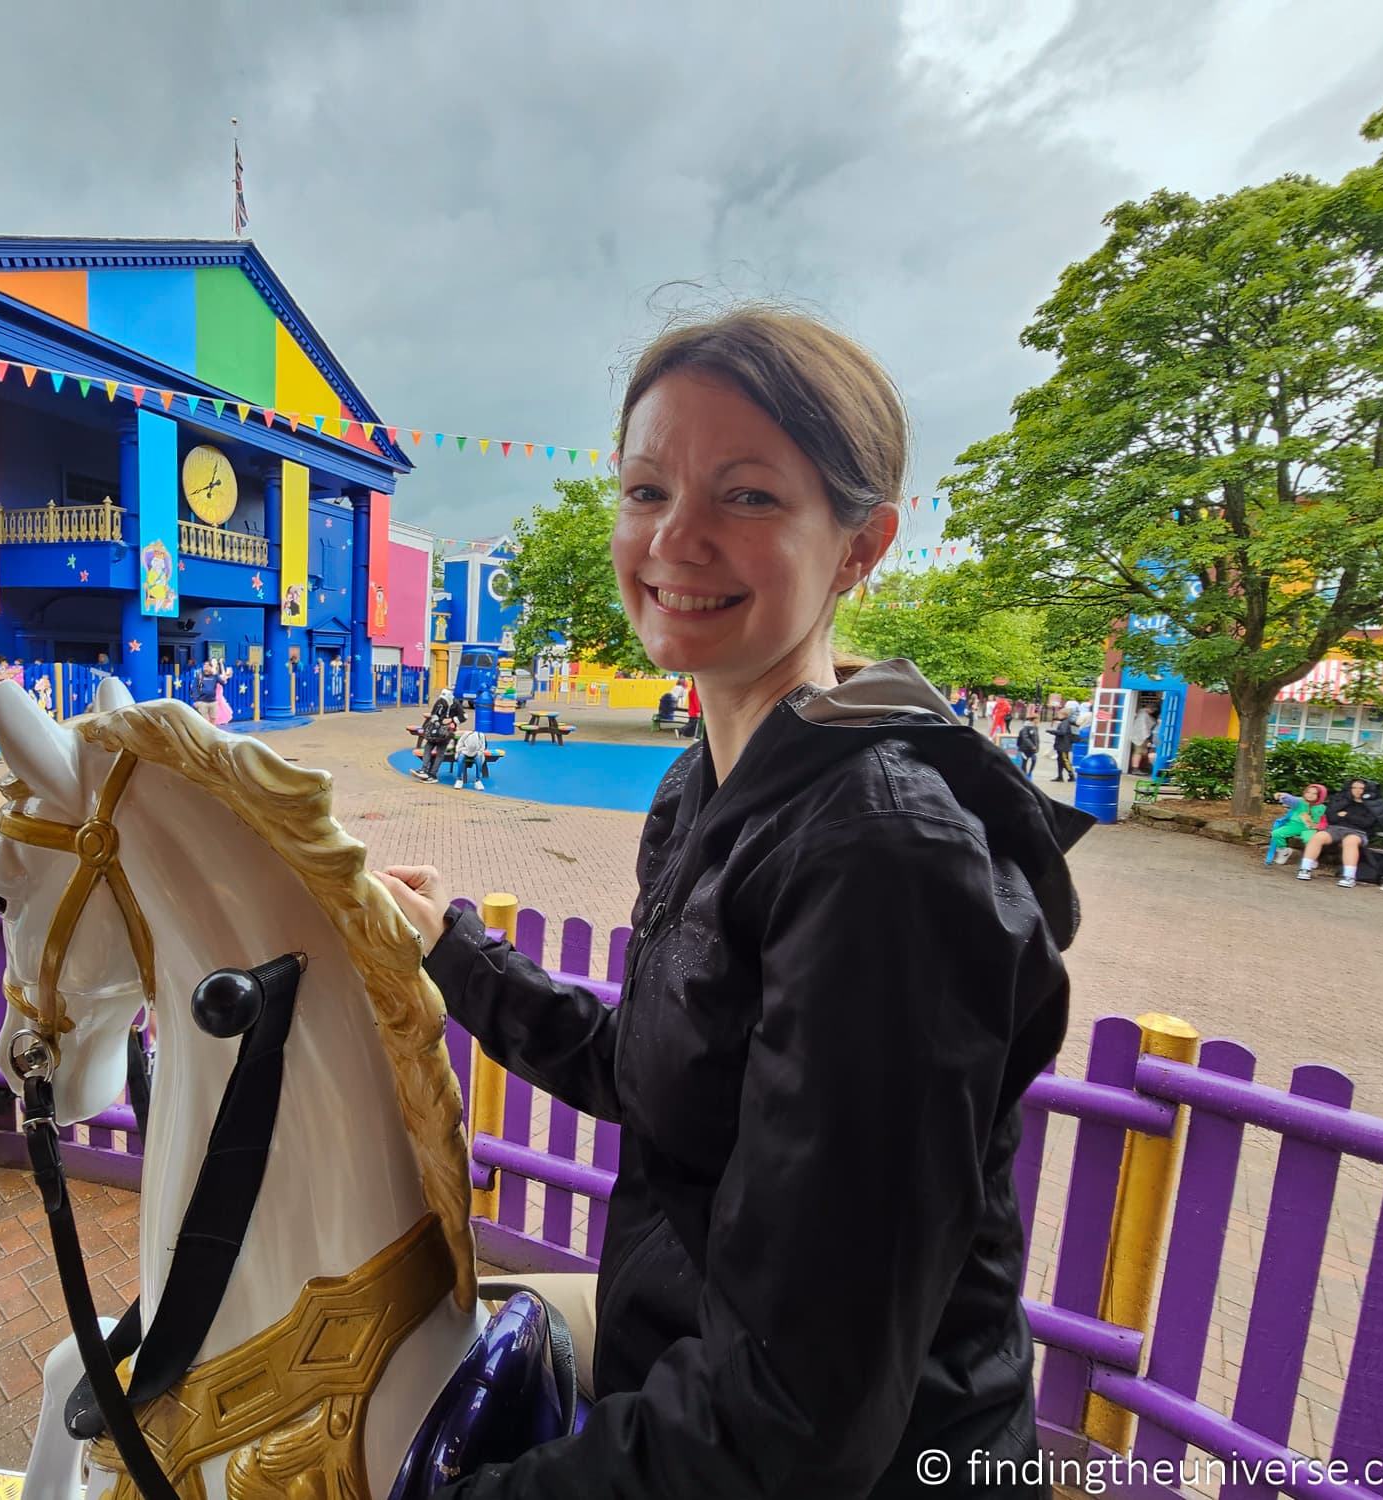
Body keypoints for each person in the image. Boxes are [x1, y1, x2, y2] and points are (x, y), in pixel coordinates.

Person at [376, 306, 1084, 1497]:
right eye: (646, 489)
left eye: (746, 497)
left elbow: (799, 1416)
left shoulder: (883, 860)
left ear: (860, 546)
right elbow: (664, 1083)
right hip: (680, 1360)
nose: (675, 539)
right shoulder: (712, 787)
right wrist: (453, 954)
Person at [1301, 778, 1383, 888]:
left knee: (1350, 841)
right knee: (1319, 836)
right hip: (1335, 829)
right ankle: (1305, 869)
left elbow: (1367, 823)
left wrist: (1346, 815)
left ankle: (1349, 877)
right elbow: (1332, 817)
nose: (1357, 790)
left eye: (1361, 788)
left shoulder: (1374, 804)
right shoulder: (1342, 799)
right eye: (1354, 787)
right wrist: (1349, 817)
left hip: (1358, 832)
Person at [1266, 784, 1329, 875]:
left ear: (1320, 796)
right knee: (1276, 833)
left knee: (1310, 839)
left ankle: (1312, 858)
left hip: (1310, 828)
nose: (1310, 795)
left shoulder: (1323, 808)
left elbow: (1325, 821)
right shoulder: (1299, 802)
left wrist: (1318, 826)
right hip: (1294, 825)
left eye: (1314, 794)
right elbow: (1291, 799)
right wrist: (1282, 795)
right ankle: (1284, 851)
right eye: (1308, 792)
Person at [412, 712, 455, 782]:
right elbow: (433, 714)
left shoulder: (454, 705)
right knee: (428, 749)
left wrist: (452, 720)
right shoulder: (440, 704)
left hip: (445, 734)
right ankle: (424, 770)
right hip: (434, 732)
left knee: (439, 753)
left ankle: (432, 774)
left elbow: (462, 717)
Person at [451, 724, 491, 791]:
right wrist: (459, 751)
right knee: (460, 759)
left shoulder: (481, 735)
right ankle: (459, 779)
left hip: (476, 752)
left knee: (479, 761)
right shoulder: (466, 735)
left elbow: (482, 747)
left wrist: (479, 753)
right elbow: (459, 744)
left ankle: (478, 780)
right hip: (465, 751)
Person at [1049, 708, 1078, 782]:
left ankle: (1071, 775)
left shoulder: (1065, 722)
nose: (1058, 715)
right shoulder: (1067, 721)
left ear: (1064, 715)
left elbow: (1062, 732)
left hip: (1063, 744)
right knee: (1060, 760)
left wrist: (1052, 731)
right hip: (1064, 744)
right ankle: (1060, 776)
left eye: (1059, 714)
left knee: (1065, 760)